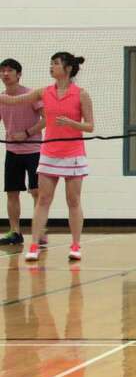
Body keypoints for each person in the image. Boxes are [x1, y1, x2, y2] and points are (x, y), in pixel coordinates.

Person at [0, 52, 94, 263]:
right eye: (50, 63)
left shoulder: (81, 94)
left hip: (73, 154)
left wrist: (71, 124)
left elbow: (90, 126)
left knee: (73, 200)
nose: (51, 67)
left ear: (68, 68)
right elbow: (14, 100)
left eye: (56, 64)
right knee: (43, 199)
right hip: (49, 153)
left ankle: (76, 245)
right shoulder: (44, 92)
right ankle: (34, 245)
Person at [0, 59, 45, 246]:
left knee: (36, 191)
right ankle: (15, 232)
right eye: (2, 71)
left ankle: (39, 231)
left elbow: (46, 119)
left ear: (18, 74)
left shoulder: (30, 95)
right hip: (12, 151)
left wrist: (26, 133)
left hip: (34, 150)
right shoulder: (1, 98)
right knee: (12, 192)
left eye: (9, 70)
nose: (5, 74)